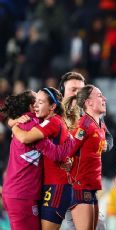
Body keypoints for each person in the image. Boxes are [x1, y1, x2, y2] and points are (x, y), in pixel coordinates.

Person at [1, 91, 75, 230]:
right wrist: (72, 142)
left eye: (41, 102)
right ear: (31, 107)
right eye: (36, 101)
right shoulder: (32, 125)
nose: (37, 105)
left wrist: (13, 123)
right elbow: (55, 153)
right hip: (22, 194)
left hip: (20, 192)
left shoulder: (33, 123)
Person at [67, 85, 107, 230]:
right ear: (88, 103)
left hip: (91, 186)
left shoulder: (100, 125)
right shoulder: (84, 124)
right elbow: (68, 150)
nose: (104, 99)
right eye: (100, 96)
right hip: (80, 185)